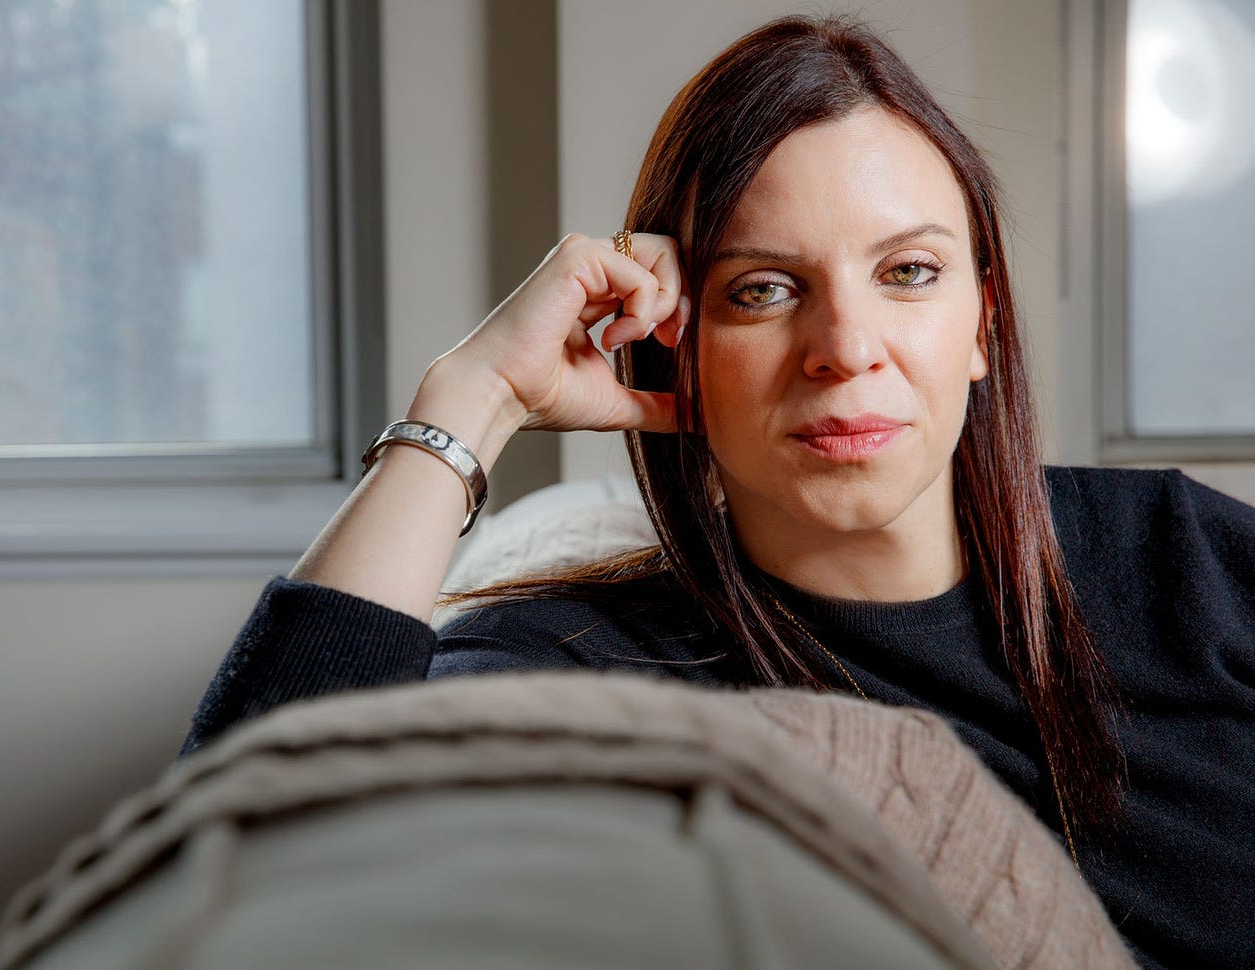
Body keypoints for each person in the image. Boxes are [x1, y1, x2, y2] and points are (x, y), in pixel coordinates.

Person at [183, 16, 1254, 970]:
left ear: (980, 324)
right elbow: (228, 878)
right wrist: (473, 397)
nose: (844, 348)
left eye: (909, 273)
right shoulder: (586, 668)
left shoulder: (1182, 558)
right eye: (763, 290)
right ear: (674, 347)